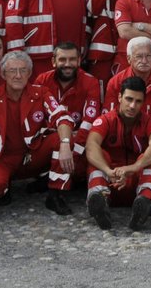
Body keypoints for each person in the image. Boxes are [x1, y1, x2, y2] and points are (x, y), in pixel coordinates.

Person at [0, 51, 75, 212]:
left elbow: (62, 117)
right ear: (3, 74)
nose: (18, 75)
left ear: (30, 73)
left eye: (23, 70)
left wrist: (66, 144)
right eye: (12, 71)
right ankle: (4, 191)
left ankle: (55, 194)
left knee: (61, 138)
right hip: (3, 159)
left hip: (34, 154)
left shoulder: (41, 93)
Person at [84, 75, 151, 230]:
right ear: (119, 97)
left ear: (144, 102)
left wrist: (133, 168)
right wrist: (108, 171)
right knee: (99, 155)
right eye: (128, 99)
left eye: (138, 101)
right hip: (110, 182)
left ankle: (145, 204)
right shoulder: (105, 120)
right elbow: (91, 146)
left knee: (149, 158)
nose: (132, 105)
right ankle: (98, 203)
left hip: (137, 181)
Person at [35, 40, 105, 191]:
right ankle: (51, 178)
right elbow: (38, 118)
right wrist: (63, 136)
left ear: (79, 60)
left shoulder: (90, 82)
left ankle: (60, 180)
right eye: (62, 59)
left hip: (79, 141)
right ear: (53, 61)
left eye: (72, 59)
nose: (68, 64)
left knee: (88, 159)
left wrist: (75, 149)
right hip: (52, 138)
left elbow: (90, 121)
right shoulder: (42, 81)